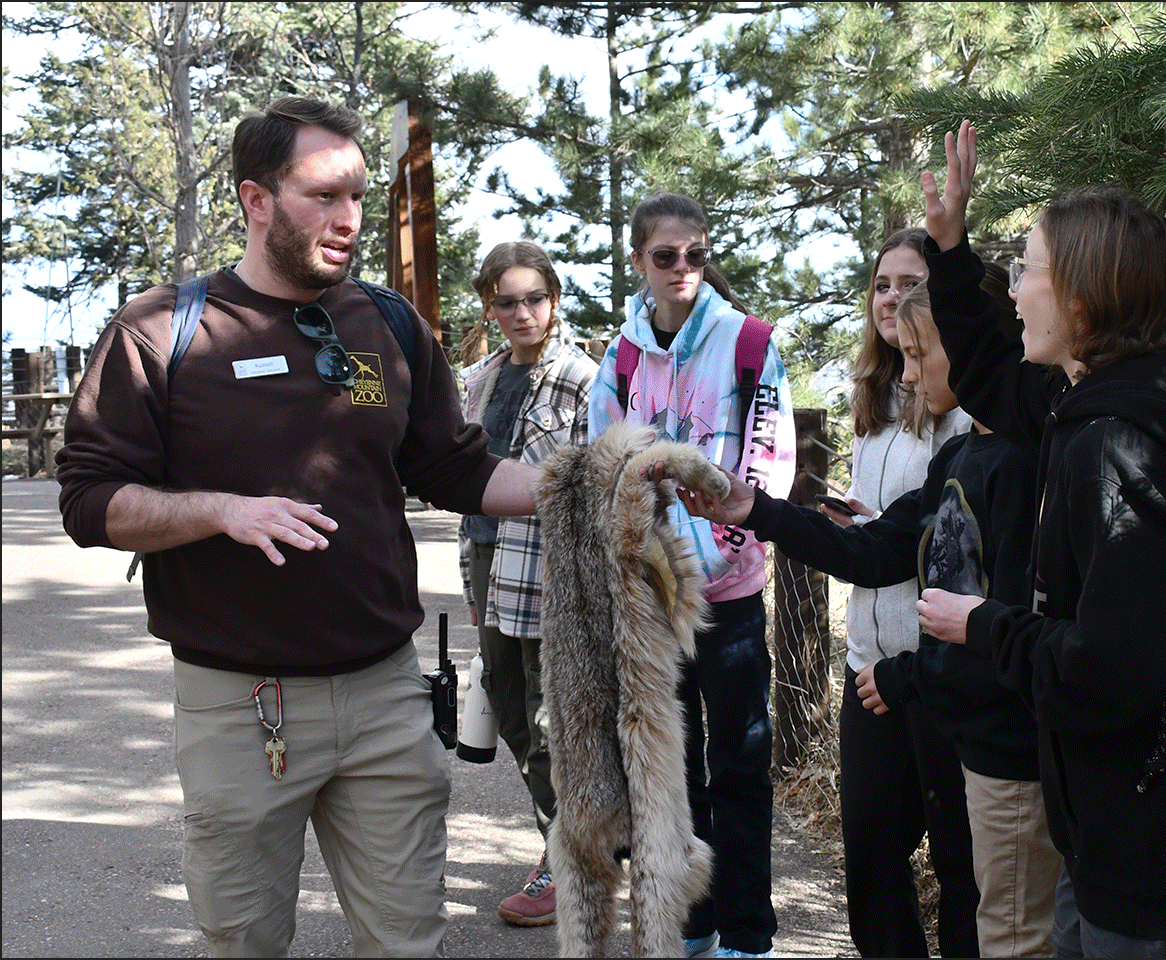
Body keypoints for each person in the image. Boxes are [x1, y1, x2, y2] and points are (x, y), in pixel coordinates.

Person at [54, 96, 543, 958]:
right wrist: (219, 511)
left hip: (386, 694)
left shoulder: (387, 325)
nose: (350, 218)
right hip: (239, 704)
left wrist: (594, 486)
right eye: (324, 195)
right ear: (256, 199)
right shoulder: (163, 330)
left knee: (409, 942)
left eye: (359, 195)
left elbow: (456, 468)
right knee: (243, 940)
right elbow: (90, 501)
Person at [917, 121, 1166, 957]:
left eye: (1028, 271)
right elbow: (992, 374)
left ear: (1081, 298)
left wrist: (983, 624)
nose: (1017, 291)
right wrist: (949, 251)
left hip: (1141, 841)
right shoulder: (1092, 410)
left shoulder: (1117, 448)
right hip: (1107, 831)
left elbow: (1115, 665)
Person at [588, 191, 796, 960]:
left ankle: (749, 934)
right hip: (653, 600)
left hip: (729, 597)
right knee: (673, 773)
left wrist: (712, 553)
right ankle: (698, 923)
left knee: (740, 763)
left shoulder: (749, 342)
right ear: (638, 262)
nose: (682, 268)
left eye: (695, 255)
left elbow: (766, 462)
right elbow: (603, 466)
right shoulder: (621, 357)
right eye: (665, 256)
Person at [853, 279, 1062, 958]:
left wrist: (908, 675)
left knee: (1007, 928)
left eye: (919, 355)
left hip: (1010, 749)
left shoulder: (1021, 462)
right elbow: (888, 543)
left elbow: (999, 618)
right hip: (978, 741)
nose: (908, 375)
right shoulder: (960, 454)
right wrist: (766, 515)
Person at [822, 227, 979, 959]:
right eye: (882, 284)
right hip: (867, 668)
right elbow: (887, 527)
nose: (893, 299)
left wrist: (879, 533)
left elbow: (950, 545)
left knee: (961, 871)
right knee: (871, 865)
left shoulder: (962, 404)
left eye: (910, 283)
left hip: (937, 672)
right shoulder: (875, 398)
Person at [457, 241, 598, 927]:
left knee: (554, 721)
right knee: (510, 711)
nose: (521, 312)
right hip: (488, 561)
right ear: (489, 303)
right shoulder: (478, 379)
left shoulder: (580, 377)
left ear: (554, 299)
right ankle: (566, 847)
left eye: (533, 298)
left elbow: (601, 481)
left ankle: (573, 866)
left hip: (552, 568)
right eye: (506, 301)